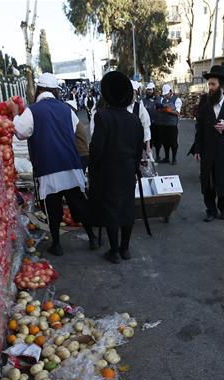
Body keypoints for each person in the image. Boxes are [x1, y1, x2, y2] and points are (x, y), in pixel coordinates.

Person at [9, 72, 97, 254]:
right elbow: (74, 131)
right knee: (79, 202)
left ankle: (57, 244)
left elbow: (19, 132)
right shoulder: (67, 109)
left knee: (52, 206)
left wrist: (15, 113)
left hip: (48, 167)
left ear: (39, 90)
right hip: (71, 163)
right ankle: (93, 238)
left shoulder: (33, 110)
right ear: (55, 91)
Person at [88, 71, 145, 263]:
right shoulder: (134, 120)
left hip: (108, 171)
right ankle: (125, 249)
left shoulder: (103, 117)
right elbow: (139, 149)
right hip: (128, 170)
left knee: (111, 209)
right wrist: (134, 165)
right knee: (127, 207)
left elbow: (96, 148)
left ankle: (114, 251)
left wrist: (93, 168)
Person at [189, 65, 224, 222]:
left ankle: (223, 207)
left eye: (213, 84)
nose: (210, 87)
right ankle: (210, 210)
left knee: (223, 180)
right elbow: (199, 129)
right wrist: (197, 149)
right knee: (207, 182)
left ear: (221, 86)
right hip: (207, 150)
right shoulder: (204, 106)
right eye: (209, 84)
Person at [157, 84, 182, 164]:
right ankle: (167, 157)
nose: (165, 96)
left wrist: (169, 111)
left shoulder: (177, 100)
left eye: (166, 94)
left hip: (172, 125)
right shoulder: (162, 100)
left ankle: (174, 158)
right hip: (164, 124)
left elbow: (178, 113)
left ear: (171, 91)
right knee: (165, 142)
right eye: (164, 94)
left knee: (173, 143)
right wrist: (160, 109)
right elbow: (160, 109)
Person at [130, 80, 153, 154]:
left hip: (136, 141)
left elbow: (146, 126)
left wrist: (148, 145)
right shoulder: (120, 107)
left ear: (136, 94)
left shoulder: (139, 107)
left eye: (133, 94)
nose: (132, 96)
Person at [144, 82, 163, 162]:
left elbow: (161, 106)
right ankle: (148, 156)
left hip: (157, 123)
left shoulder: (158, 99)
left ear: (153, 90)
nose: (149, 91)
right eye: (148, 90)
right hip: (148, 124)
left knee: (158, 141)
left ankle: (158, 156)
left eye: (150, 90)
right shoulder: (143, 100)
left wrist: (156, 100)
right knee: (148, 141)